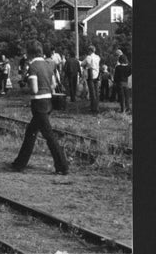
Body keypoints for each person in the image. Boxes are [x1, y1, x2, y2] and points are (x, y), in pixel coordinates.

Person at [10, 40, 69, 175]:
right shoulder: (49, 65)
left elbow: (34, 89)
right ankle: (19, 163)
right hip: (49, 101)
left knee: (49, 135)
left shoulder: (33, 67)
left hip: (38, 103)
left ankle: (62, 165)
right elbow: (53, 84)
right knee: (30, 133)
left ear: (30, 53)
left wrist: (26, 86)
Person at [82, 45, 101, 113]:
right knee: (96, 91)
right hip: (97, 73)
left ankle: (94, 107)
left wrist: (85, 65)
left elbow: (82, 63)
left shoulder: (89, 57)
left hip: (91, 74)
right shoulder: (98, 57)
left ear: (90, 51)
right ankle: (97, 106)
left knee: (92, 92)